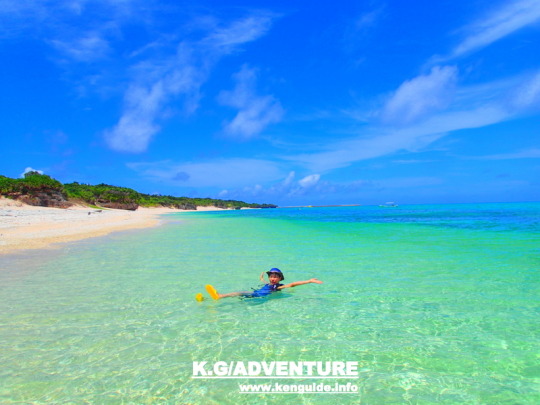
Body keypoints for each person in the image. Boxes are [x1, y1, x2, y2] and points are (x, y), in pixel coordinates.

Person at [196, 268, 323, 301]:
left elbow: (293, 284)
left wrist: (309, 281)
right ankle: (206, 299)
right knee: (237, 297)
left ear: (280, 279)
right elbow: (264, 283)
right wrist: (261, 278)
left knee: (240, 292)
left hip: (258, 297)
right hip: (256, 295)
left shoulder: (278, 287)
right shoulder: (268, 283)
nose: (272, 279)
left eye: (275, 277)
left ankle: (220, 296)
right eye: (271, 277)